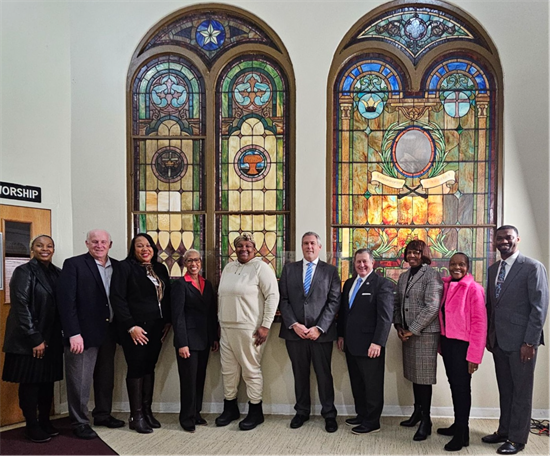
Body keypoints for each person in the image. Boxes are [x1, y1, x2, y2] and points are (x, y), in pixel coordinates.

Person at [482, 225, 549, 455]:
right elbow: (492, 306)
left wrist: (530, 342)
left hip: (522, 344)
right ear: (495, 241)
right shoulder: (492, 270)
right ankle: (504, 430)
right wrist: (490, 337)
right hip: (499, 341)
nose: (503, 241)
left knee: (521, 392)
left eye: (508, 238)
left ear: (517, 239)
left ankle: (517, 439)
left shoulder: (532, 267)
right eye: (499, 238)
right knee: (506, 390)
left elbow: (539, 309)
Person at [57, 229, 124, 439]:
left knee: (105, 378)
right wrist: (73, 333)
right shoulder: (74, 264)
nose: (99, 245)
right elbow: (66, 302)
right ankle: (79, 421)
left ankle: (103, 414)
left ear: (110, 245)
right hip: (82, 334)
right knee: (80, 380)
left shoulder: (119, 266)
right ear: (87, 243)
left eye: (103, 242)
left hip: (109, 331)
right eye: (94, 241)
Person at [215, 233, 279, 431]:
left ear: (254, 248)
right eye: (240, 245)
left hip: (249, 329)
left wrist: (266, 325)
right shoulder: (229, 267)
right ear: (235, 248)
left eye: (248, 245)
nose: (244, 249)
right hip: (226, 327)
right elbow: (221, 297)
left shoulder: (261, 268)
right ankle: (230, 407)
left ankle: (255, 411)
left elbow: (273, 296)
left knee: (251, 371)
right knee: (228, 370)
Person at [279, 232, 341, 433]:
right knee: (300, 374)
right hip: (294, 334)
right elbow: (284, 300)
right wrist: (294, 325)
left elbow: (334, 302)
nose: (309, 247)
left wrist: (319, 328)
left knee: (324, 375)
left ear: (319, 246)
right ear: (301, 246)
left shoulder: (330, 271)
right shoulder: (289, 270)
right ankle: (302, 411)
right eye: (305, 243)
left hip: (321, 335)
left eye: (312, 243)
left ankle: (329, 414)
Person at [2, 235, 62, 443]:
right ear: (32, 249)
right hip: (29, 340)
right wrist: (35, 338)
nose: (45, 249)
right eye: (40, 245)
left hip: (52, 338)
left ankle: (45, 421)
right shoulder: (24, 271)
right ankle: (32, 425)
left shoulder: (57, 273)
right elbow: (21, 307)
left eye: (49, 246)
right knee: (31, 384)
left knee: (47, 382)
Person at [110, 233, 171, 434]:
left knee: (149, 367)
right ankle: (136, 416)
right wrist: (131, 326)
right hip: (135, 328)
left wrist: (168, 322)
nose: (145, 249)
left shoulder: (160, 268)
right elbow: (117, 299)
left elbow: (167, 297)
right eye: (139, 246)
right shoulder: (124, 268)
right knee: (136, 367)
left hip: (157, 327)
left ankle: (147, 411)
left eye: (148, 245)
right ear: (133, 249)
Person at [337, 248, 395, 435]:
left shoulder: (382, 284)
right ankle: (361, 414)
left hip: (371, 345)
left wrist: (378, 342)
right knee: (357, 382)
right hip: (351, 344)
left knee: (372, 384)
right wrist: (341, 335)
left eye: (365, 262)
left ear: (372, 263)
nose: (361, 265)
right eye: (358, 262)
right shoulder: (349, 283)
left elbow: (385, 318)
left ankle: (372, 421)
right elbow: (345, 313)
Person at [393, 239, 443, 441]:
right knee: (414, 376)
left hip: (424, 335)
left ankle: (427, 421)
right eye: (409, 252)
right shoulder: (404, 277)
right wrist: (399, 326)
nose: (412, 256)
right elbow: (397, 302)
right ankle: (417, 412)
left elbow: (432, 307)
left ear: (424, 254)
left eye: (416, 252)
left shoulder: (432, 275)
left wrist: (412, 330)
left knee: (423, 380)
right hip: (407, 334)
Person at [437, 253, 487, 451]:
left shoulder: (474, 289)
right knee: (455, 386)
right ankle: (459, 426)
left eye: (461, 264)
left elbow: (480, 324)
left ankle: (461, 435)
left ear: (468, 267)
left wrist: (474, 356)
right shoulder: (447, 286)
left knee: (462, 389)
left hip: (463, 347)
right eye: (453, 264)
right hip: (448, 344)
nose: (456, 267)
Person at [172, 249, 219, 433]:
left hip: (205, 339)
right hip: (188, 341)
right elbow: (177, 316)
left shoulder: (206, 284)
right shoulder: (180, 285)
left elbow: (211, 313)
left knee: (199, 379)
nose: (194, 264)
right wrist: (182, 342)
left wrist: (214, 337)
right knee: (188, 380)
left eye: (197, 260)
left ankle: (196, 413)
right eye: (190, 260)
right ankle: (186, 417)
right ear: (185, 263)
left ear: (201, 263)